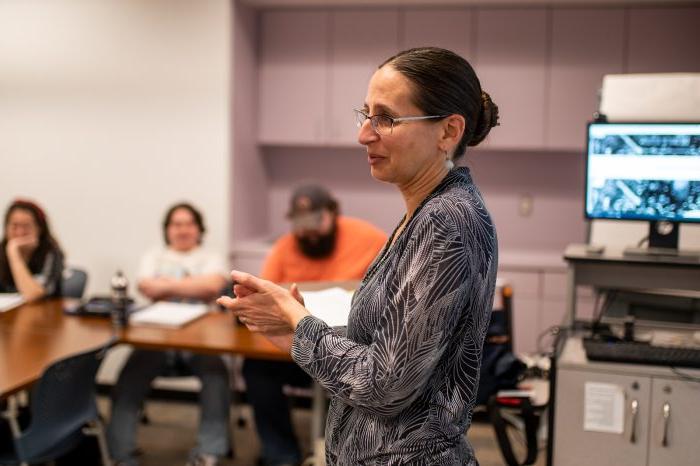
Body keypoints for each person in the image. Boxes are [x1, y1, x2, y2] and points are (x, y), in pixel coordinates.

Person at [220, 46, 499, 465]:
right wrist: (295, 336)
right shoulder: (424, 213)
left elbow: (384, 385)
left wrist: (302, 324)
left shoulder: (447, 221)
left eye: (386, 118)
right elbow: (384, 348)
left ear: (448, 131)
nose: (364, 133)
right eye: (365, 114)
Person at [243, 185, 387, 466]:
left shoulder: (369, 238)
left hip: (352, 349)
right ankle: (281, 454)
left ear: (333, 213)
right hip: (297, 345)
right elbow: (265, 296)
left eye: (314, 221)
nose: (307, 231)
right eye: (300, 223)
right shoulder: (285, 247)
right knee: (256, 368)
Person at [108, 203, 231, 466]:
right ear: (167, 230)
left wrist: (166, 285)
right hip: (156, 339)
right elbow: (145, 287)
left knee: (217, 376)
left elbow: (213, 285)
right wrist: (192, 287)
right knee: (128, 376)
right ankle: (121, 455)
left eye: (189, 224)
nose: (182, 230)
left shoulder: (212, 257)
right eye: (176, 224)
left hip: (201, 342)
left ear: (199, 229)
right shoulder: (154, 255)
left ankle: (208, 453)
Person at [0, 199, 64, 301]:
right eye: (14, 226)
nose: (20, 232)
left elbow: (33, 295)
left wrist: (13, 252)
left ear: (40, 229)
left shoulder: (51, 253)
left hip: (44, 314)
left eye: (26, 226)